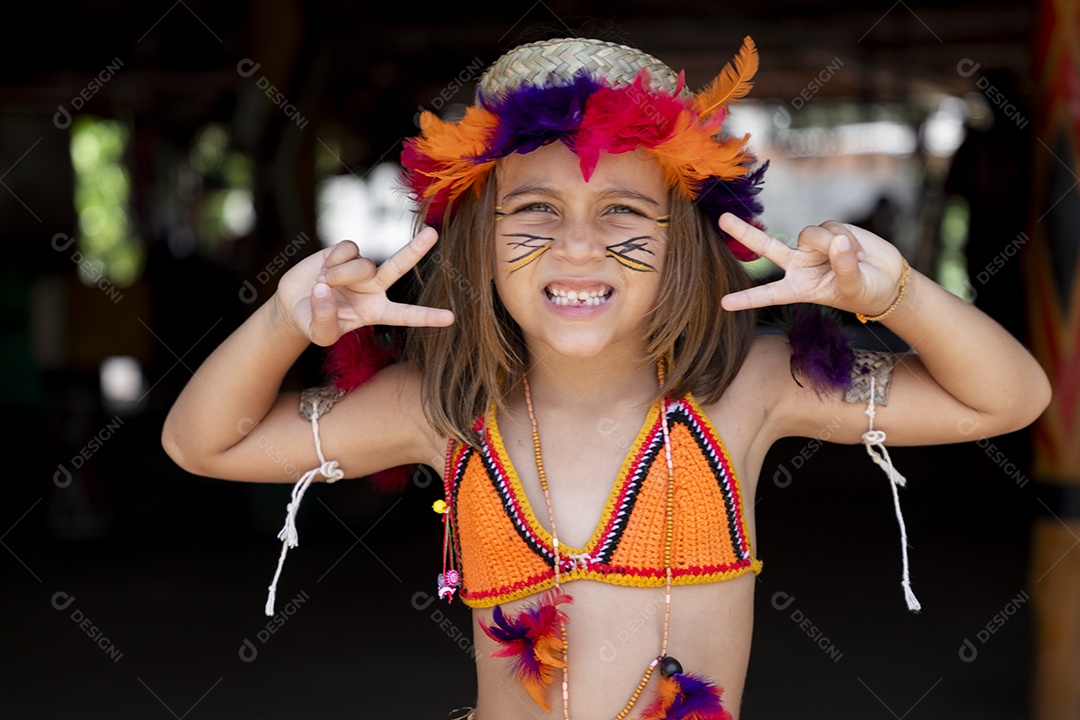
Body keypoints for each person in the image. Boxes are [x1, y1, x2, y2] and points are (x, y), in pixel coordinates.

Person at [162, 34, 1051, 720]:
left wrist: (889, 291)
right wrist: (285, 320)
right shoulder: (443, 411)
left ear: (684, 244)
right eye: (536, 211)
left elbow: (1008, 398)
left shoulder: (749, 391)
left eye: (622, 211)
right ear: (478, 240)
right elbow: (200, 443)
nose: (579, 246)